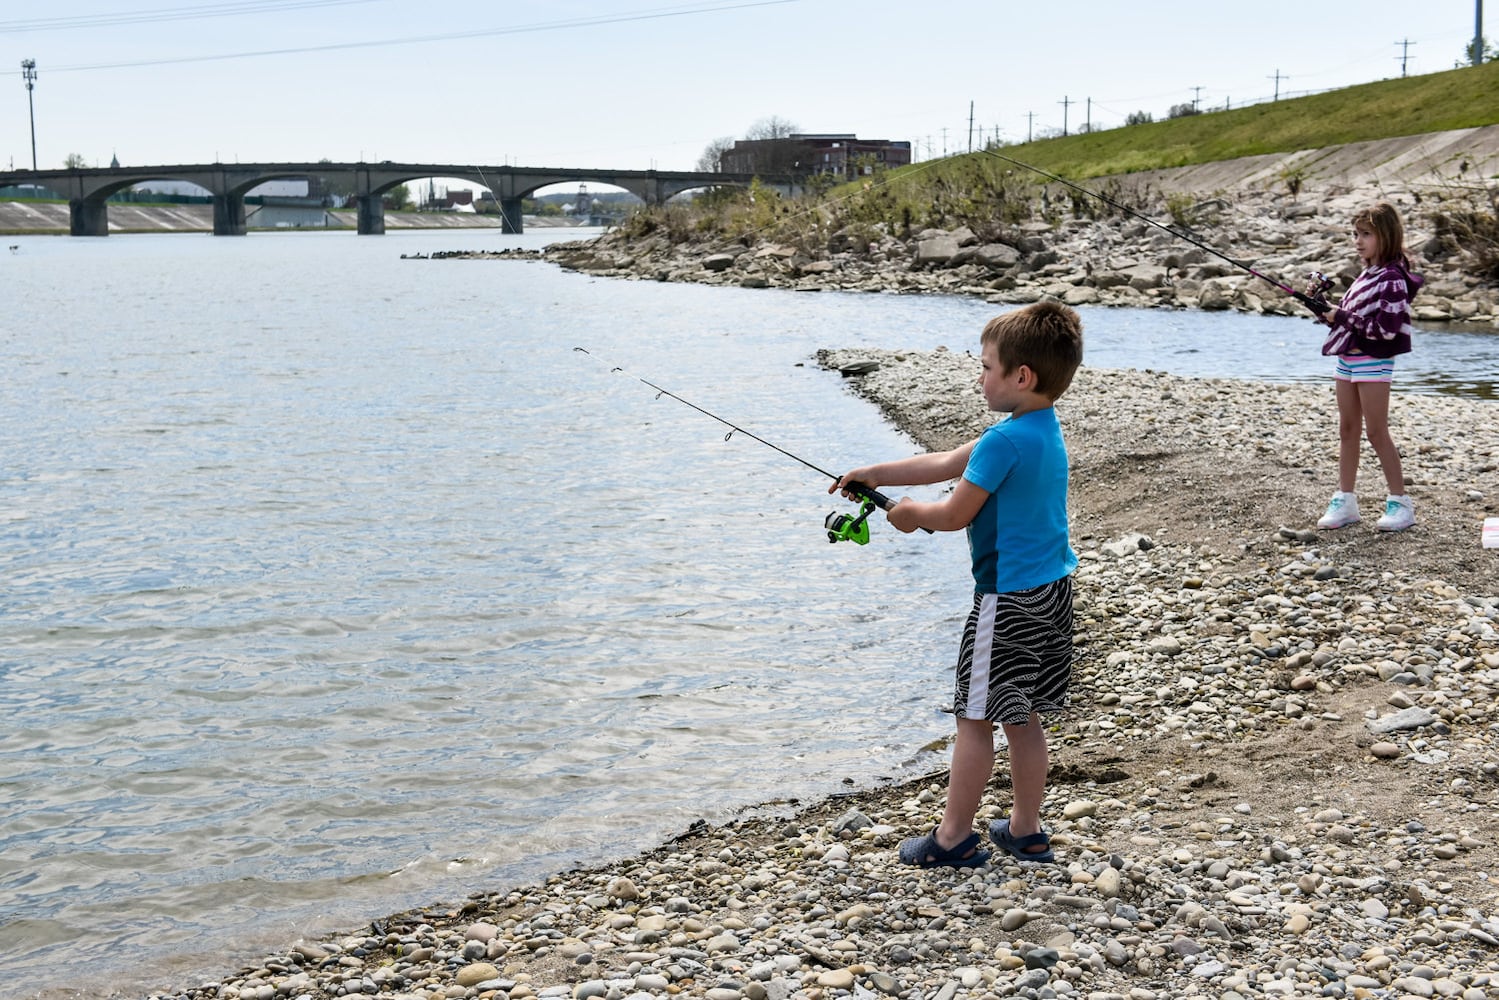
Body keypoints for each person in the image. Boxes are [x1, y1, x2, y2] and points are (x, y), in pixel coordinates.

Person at [831, 300, 1083, 868]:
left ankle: (952, 839)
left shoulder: (1003, 441)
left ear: (1022, 376)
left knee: (975, 717)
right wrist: (875, 473)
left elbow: (952, 513)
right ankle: (1026, 829)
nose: (980, 376)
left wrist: (909, 513)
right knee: (1022, 713)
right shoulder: (1037, 428)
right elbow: (947, 461)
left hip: (1008, 600)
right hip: (1053, 592)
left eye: (987, 367)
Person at [1311, 201, 1423, 532]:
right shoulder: (1366, 274)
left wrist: (1340, 315)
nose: (1358, 241)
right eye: (1355, 234)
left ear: (1385, 236)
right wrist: (1322, 307)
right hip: (1348, 360)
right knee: (1347, 430)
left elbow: (1385, 329)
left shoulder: (1392, 278)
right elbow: (1346, 321)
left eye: (1366, 234)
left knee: (1376, 432)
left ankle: (1401, 503)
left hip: (1374, 362)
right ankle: (1345, 500)